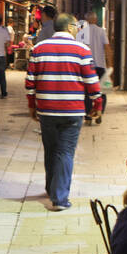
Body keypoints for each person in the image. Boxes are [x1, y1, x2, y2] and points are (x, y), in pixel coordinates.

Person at [26, 13, 99, 211]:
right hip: (72, 110)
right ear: (69, 27)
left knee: (51, 149)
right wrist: (97, 105)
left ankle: (51, 188)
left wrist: (32, 106)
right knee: (65, 151)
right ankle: (59, 198)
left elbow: (30, 82)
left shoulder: (38, 49)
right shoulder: (82, 50)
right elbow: (91, 82)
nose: (77, 29)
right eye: (76, 26)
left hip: (47, 110)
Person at [77, 11, 109, 125]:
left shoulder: (82, 32)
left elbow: (78, 50)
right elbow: (107, 47)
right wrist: (110, 65)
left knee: (87, 92)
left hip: (87, 66)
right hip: (100, 65)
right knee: (102, 91)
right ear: (95, 20)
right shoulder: (101, 31)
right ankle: (99, 112)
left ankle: (88, 117)